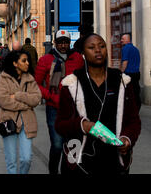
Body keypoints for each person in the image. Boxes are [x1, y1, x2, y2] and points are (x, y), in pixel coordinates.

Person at [55, 33, 141, 174]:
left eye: (102, 46)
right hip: (80, 160)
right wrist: (83, 125)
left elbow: (133, 120)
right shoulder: (71, 84)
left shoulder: (122, 82)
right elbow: (60, 125)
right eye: (91, 47)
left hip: (113, 160)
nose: (98, 50)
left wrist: (127, 138)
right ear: (83, 53)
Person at [34, 29, 84, 174]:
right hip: (54, 107)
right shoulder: (45, 59)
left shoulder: (77, 58)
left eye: (66, 42)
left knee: (73, 143)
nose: (63, 45)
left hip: (75, 108)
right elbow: (36, 84)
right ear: (55, 43)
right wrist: (50, 96)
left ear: (70, 43)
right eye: (60, 42)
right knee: (57, 145)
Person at [0, 50, 42, 174]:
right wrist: (26, 105)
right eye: (24, 60)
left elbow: (37, 98)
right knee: (11, 161)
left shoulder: (30, 78)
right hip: (9, 122)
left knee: (26, 159)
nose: (27, 63)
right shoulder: (4, 78)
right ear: (15, 63)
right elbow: (3, 100)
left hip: (27, 123)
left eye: (27, 60)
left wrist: (18, 95)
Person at [120, 33, 141, 111]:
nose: (121, 40)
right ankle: (136, 109)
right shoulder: (136, 49)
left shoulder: (125, 48)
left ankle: (130, 111)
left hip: (129, 74)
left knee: (128, 94)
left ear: (128, 39)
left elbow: (125, 62)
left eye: (122, 39)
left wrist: (121, 72)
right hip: (137, 73)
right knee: (136, 93)